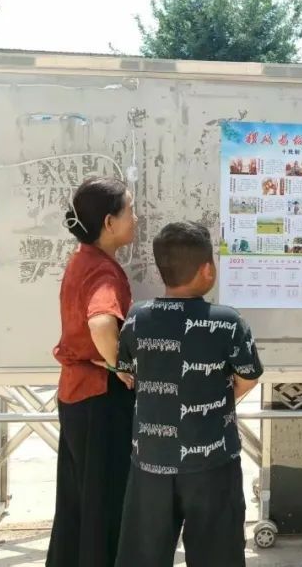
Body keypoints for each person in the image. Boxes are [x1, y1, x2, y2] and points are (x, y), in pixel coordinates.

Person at [114, 221, 263, 567]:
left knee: (143, 557)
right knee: (218, 556)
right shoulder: (228, 322)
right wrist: (214, 403)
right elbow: (249, 377)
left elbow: (125, 369)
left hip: (151, 462)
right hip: (213, 463)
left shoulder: (137, 318)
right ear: (207, 269)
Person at [48, 176, 138, 567]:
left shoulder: (82, 259)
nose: (136, 218)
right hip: (100, 397)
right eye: (130, 211)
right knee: (105, 504)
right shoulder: (103, 271)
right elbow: (101, 322)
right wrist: (120, 365)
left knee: (77, 504)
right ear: (109, 223)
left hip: (77, 394)